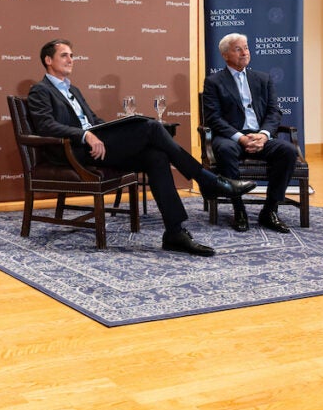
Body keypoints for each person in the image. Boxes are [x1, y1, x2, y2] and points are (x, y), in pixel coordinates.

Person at [27, 39, 256, 257]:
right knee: (150, 127)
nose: (70, 59)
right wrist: (85, 135)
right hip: (73, 151)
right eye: (64, 55)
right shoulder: (41, 90)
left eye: (72, 55)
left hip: (96, 145)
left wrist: (107, 129)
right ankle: (207, 180)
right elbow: (46, 126)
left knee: (155, 156)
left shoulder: (73, 89)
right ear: (48, 60)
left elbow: (94, 121)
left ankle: (174, 233)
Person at [202, 33, 298, 233]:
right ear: (226, 55)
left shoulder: (263, 79)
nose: (245, 52)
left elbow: (274, 111)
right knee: (225, 151)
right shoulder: (214, 82)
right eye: (238, 49)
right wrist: (241, 138)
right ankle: (239, 210)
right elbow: (214, 118)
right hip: (231, 137)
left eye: (246, 48)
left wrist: (263, 135)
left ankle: (270, 210)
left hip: (260, 136)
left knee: (288, 151)